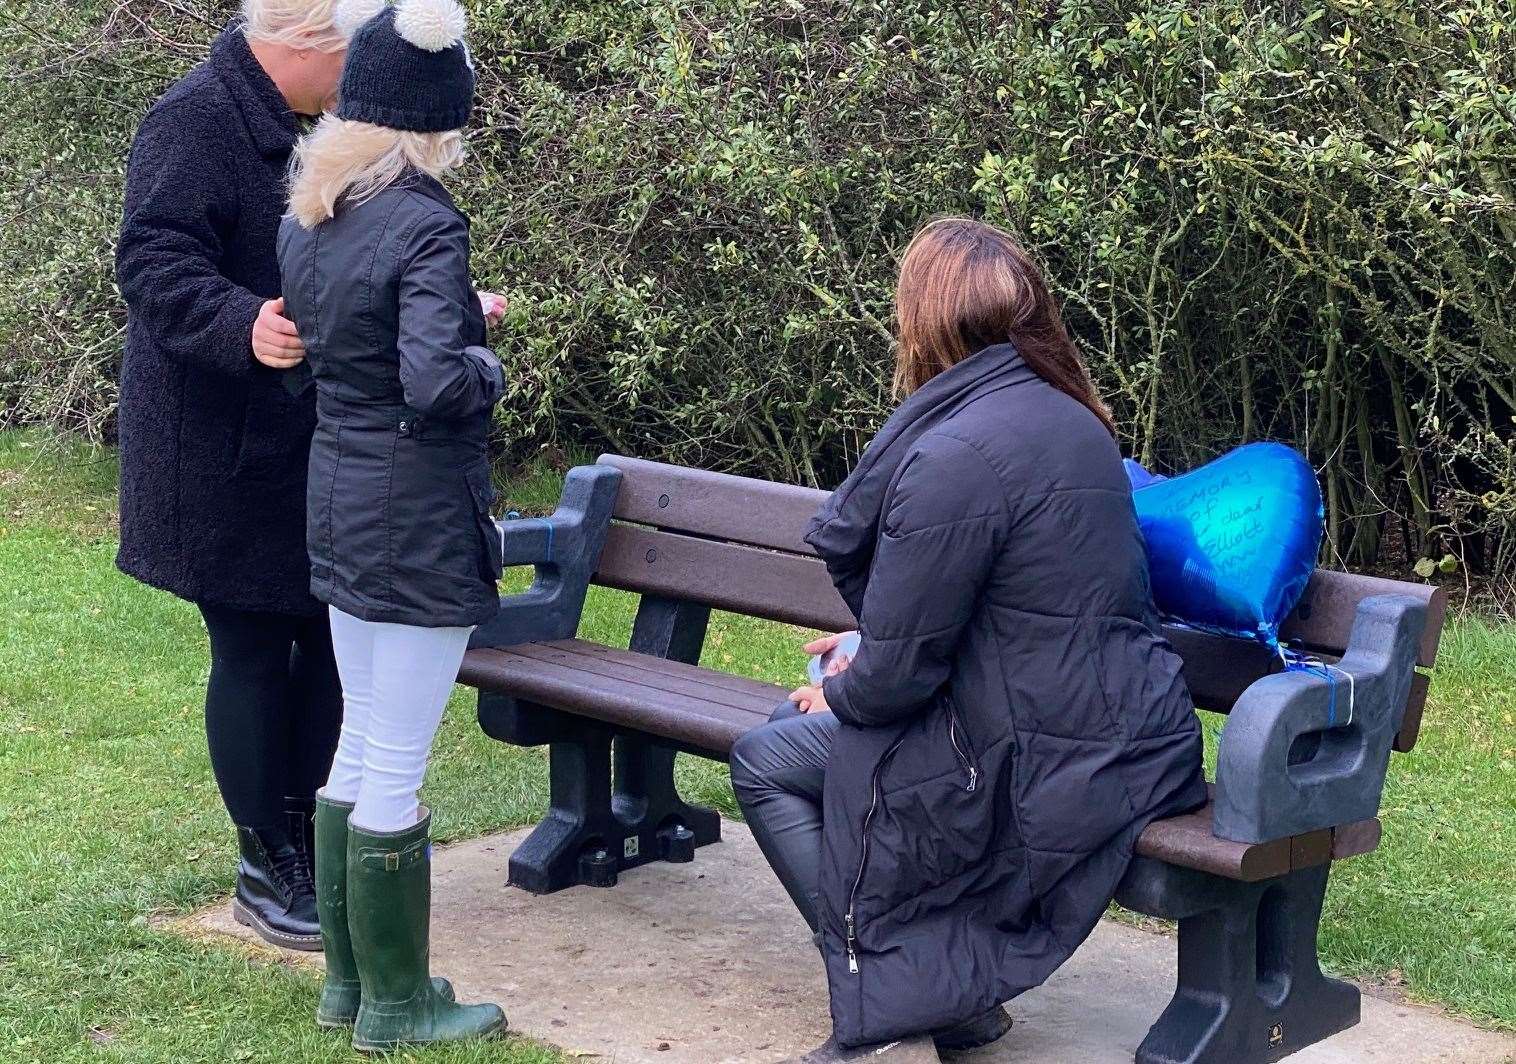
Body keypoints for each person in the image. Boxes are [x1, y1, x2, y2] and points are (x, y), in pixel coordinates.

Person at [730, 218, 1209, 1063]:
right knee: (793, 731)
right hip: (1124, 729)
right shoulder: (1070, 414)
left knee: (769, 757)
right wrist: (866, 650)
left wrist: (843, 685)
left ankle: (906, 1002)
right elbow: (1021, 603)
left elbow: (897, 678)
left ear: (926, 319)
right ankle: (947, 1002)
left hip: (1048, 759)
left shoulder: (952, 452)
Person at [276, 0, 508, 1050]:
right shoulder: (425, 220)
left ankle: (348, 985)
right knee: (397, 756)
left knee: (358, 739)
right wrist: (482, 355)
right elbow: (431, 377)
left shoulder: (312, 214)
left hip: (338, 498)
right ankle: (400, 1005)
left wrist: (456, 318)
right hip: (412, 515)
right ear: (431, 121)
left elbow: (357, 352)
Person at [116, 0, 366, 952]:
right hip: (213, 449)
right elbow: (149, 257)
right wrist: (241, 322)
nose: (354, 75)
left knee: (325, 644)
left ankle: (304, 837)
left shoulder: (319, 128)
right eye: (348, 53)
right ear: (304, 41)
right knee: (256, 649)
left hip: (303, 441)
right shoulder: (193, 118)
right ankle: (268, 868)